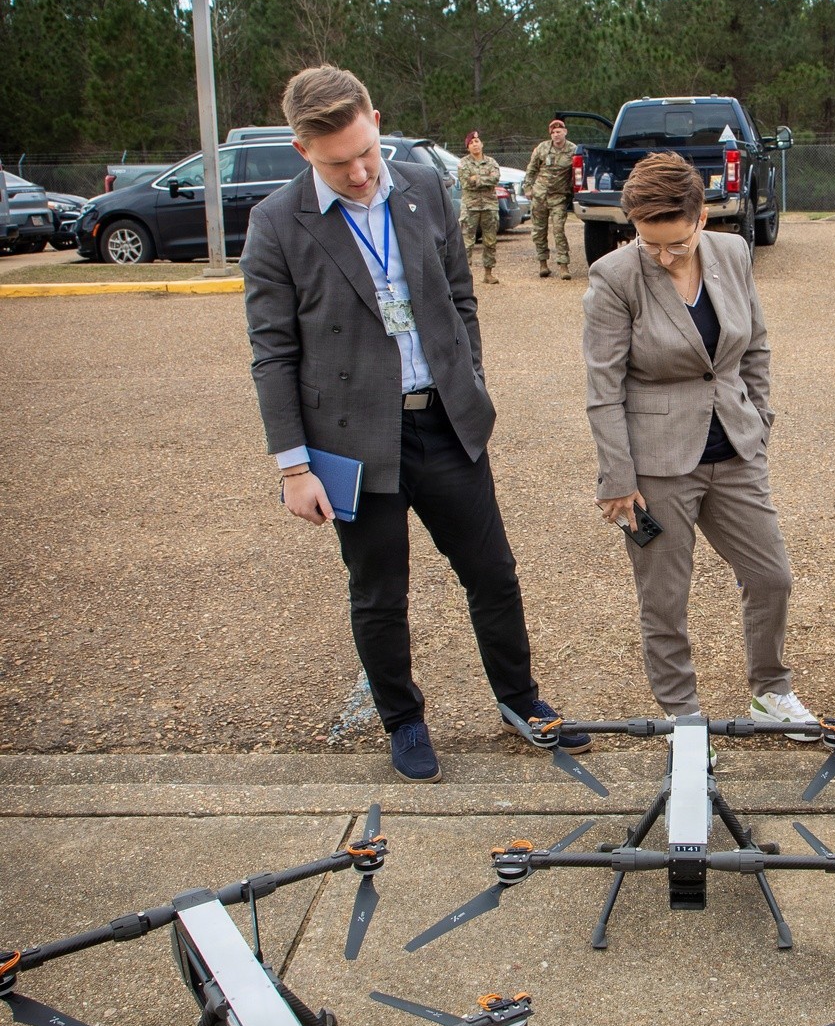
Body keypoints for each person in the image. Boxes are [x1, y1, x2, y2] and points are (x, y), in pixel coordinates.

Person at [240, 64, 587, 781]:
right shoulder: (275, 222)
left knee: (492, 574)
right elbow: (272, 353)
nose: (360, 173)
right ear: (302, 150)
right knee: (379, 594)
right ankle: (403, 721)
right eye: (337, 163)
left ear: (375, 120)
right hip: (351, 441)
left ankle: (520, 701)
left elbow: (460, 297)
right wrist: (294, 466)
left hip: (445, 423)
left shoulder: (426, 184)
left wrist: (471, 381)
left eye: (366, 152)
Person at [583, 150, 814, 733]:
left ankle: (770, 690)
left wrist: (759, 421)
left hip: (734, 449)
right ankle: (683, 719)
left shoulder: (733, 254)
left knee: (771, 576)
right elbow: (603, 387)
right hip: (655, 467)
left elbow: (754, 345)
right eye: (649, 244)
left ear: (703, 217)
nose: (663, 257)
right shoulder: (614, 277)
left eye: (677, 244)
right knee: (664, 599)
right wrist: (618, 478)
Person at [525, 118, 575, 279]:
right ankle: (543, 263)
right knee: (539, 231)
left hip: (559, 197)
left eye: (559, 131)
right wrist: (528, 188)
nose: (556, 135)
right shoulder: (542, 148)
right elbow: (531, 169)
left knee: (559, 229)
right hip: (540, 195)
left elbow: (576, 172)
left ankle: (563, 265)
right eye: (553, 132)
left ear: (565, 132)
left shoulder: (572, 150)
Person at [458, 129, 501, 284]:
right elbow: (466, 182)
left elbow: (495, 178)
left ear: (482, 144)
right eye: (471, 143)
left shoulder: (491, 162)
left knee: (490, 241)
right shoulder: (463, 163)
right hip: (470, 207)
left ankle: (488, 273)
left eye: (477, 141)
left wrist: (477, 178)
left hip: (489, 206)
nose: (475, 145)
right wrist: (485, 179)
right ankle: (465, 275)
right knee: (466, 242)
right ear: (468, 147)